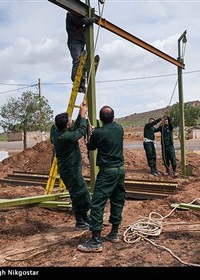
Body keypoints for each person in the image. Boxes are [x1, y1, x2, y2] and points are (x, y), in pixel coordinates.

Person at [77, 106, 125, 253]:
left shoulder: (99, 133)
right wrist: (95, 131)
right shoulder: (119, 128)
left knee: (97, 204)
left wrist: (90, 133)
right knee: (117, 200)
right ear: (113, 117)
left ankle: (96, 241)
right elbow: (106, 131)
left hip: (107, 173)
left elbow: (91, 147)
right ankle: (114, 233)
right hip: (120, 171)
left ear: (100, 118)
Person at [51, 103, 91, 231]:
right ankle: (85, 219)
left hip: (67, 170)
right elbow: (80, 131)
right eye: (70, 121)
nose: (71, 121)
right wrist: (83, 116)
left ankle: (80, 221)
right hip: (71, 171)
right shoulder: (66, 137)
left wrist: (81, 113)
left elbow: (74, 127)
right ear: (67, 126)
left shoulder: (55, 131)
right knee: (83, 194)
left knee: (75, 195)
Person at [66, 11, 97, 92]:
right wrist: (92, 20)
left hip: (81, 42)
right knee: (78, 60)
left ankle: (82, 85)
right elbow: (80, 21)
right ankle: (75, 80)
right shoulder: (70, 14)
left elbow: (83, 22)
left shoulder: (80, 17)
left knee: (83, 63)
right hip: (74, 42)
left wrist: (89, 20)